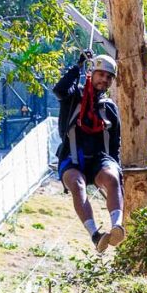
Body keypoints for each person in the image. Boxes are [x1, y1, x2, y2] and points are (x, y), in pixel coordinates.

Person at [52, 49, 125, 253]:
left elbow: (115, 144)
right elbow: (59, 90)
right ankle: (95, 235)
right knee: (77, 184)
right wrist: (78, 66)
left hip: (99, 160)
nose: (105, 79)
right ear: (92, 74)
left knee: (112, 178)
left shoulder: (108, 108)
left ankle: (117, 225)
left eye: (109, 77)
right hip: (72, 158)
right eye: (101, 74)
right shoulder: (74, 97)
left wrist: (118, 172)